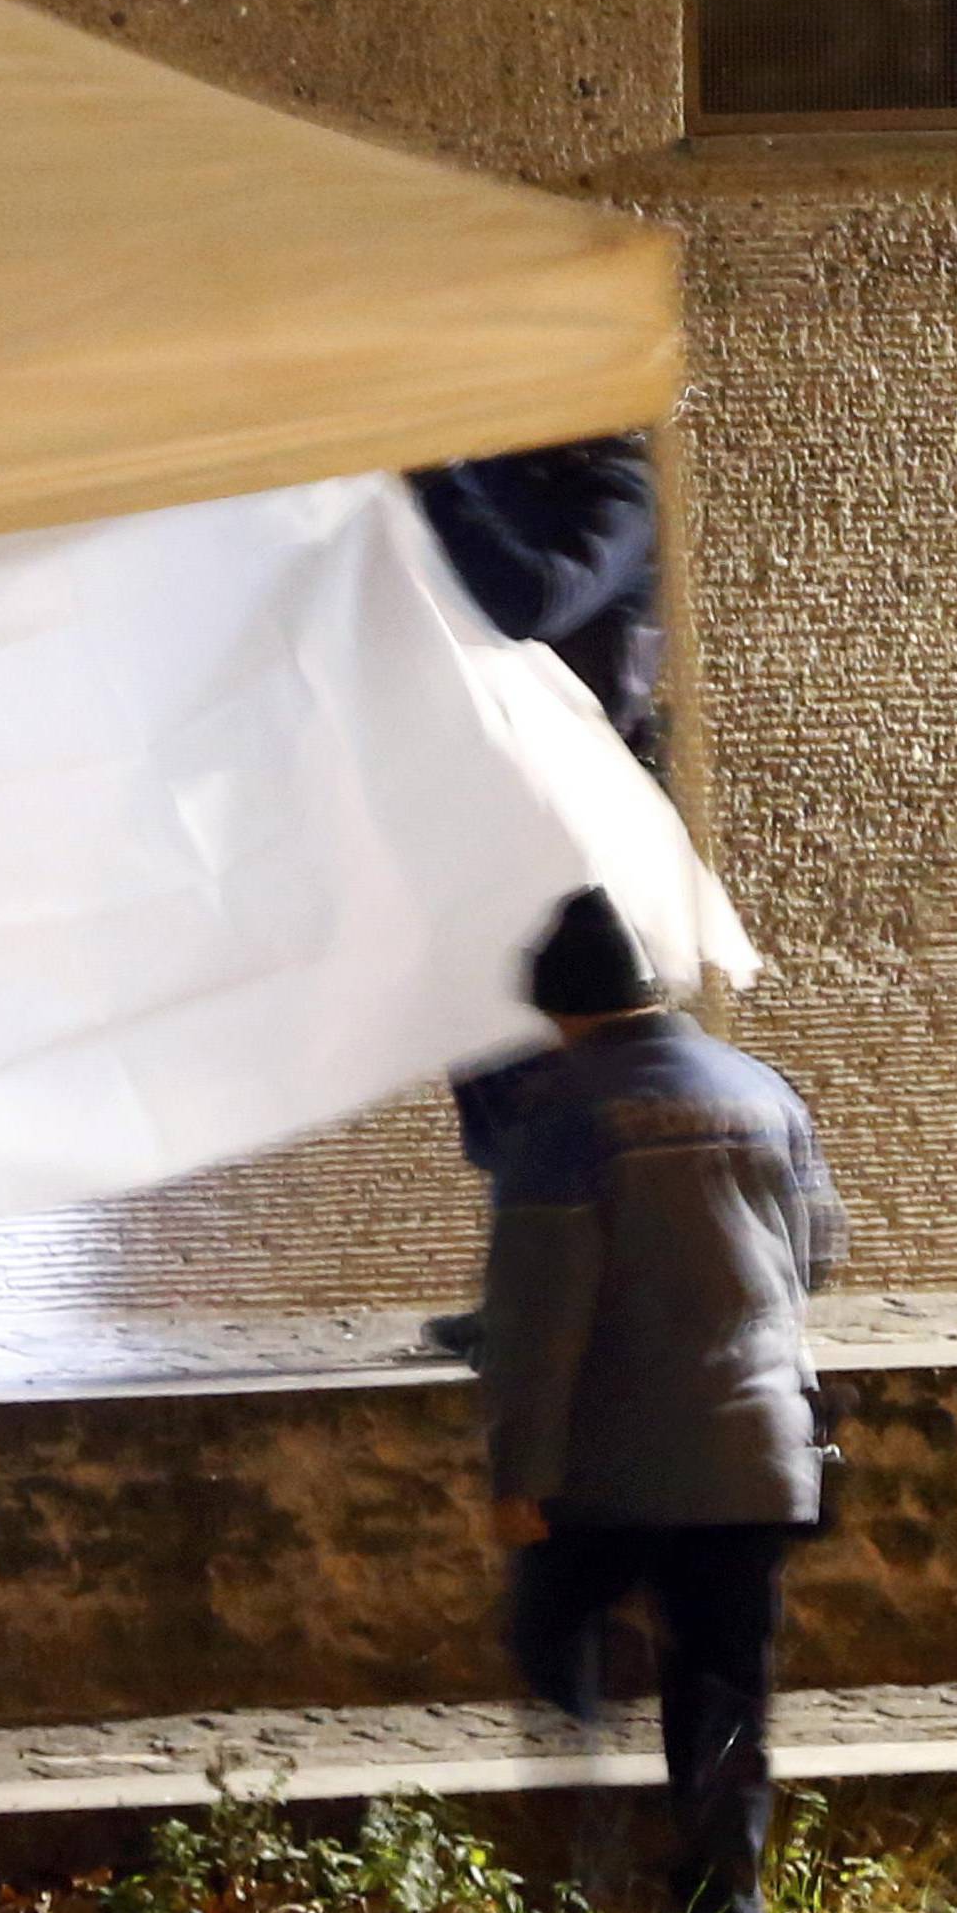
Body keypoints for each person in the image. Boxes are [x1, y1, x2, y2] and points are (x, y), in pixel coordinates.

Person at [481, 887, 846, 1913]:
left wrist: (518, 1477)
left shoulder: (563, 1118)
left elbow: (539, 1321)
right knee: (724, 1695)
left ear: (563, 1014)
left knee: (556, 1645)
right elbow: (817, 1250)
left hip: (617, 1466)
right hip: (758, 1456)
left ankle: (580, 1899)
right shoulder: (761, 1089)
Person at [413, 434, 664, 1366]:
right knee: (491, 1076)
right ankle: (527, 1289)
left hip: (575, 838)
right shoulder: (492, 481)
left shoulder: (613, 487)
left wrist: (430, 478)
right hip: (479, 818)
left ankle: (595, 1295)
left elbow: (538, 598)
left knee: (561, 1073)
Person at [412, 434, 663, 762]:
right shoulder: (506, 459)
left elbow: (536, 604)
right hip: (455, 724)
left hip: (562, 762)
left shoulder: (625, 497)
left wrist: (437, 482)